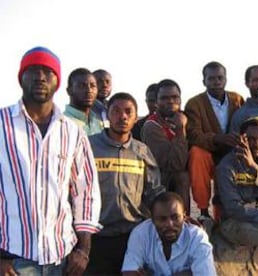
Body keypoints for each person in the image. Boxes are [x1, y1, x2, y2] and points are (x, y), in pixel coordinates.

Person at [0, 46, 102, 275]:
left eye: (48, 71)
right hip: (13, 259)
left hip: (62, 258)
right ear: (20, 78)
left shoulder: (73, 132)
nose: (40, 76)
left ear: (57, 80)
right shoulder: (1, 125)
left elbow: (85, 192)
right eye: (32, 70)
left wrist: (83, 250)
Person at [87, 92, 165, 275]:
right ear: (107, 115)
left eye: (128, 112)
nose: (122, 116)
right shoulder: (89, 147)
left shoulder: (142, 151)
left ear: (135, 117)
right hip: (97, 238)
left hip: (133, 236)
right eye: (116, 111)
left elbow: (154, 192)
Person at [184, 61, 244, 222]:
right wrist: (217, 138)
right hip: (209, 152)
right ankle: (203, 211)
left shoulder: (237, 99)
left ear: (225, 79)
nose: (216, 82)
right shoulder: (194, 103)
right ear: (204, 81)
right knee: (197, 153)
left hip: (231, 153)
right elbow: (193, 134)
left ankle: (225, 215)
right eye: (211, 78)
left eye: (220, 77)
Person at [122, 192, 216, 276]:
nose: (169, 224)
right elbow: (129, 272)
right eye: (162, 219)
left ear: (184, 217)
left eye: (175, 217)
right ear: (152, 219)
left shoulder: (197, 238)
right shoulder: (140, 234)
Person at [216, 119, 258, 247]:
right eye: (251, 139)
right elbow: (234, 209)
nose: (257, 145)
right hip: (234, 223)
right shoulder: (227, 166)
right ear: (241, 139)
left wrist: (254, 167)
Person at [142, 79, 190, 214]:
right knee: (181, 176)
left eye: (175, 97)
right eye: (164, 98)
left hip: (174, 171)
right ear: (156, 103)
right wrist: (180, 130)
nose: (170, 102)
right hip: (158, 175)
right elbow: (174, 164)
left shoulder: (184, 117)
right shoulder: (152, 126)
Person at [64, 67, 105, 135]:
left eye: (93, 86)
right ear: (69, 91)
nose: (89, 90)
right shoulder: (61, 123)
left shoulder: (100, 123)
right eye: (82, 86)